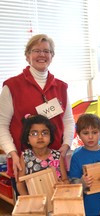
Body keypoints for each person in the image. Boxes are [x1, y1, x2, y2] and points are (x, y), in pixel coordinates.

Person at [0, 34, 75, 191]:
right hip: (23, 163)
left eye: (46, 51)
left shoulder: (61, 87)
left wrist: (66, 146)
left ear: (52, 56)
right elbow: (2, 125)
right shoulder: (12, 86)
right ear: (27, 56)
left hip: (55, 163)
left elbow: (68, 121)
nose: (42, 55)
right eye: (36, 50)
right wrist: (12, 153)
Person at [16, 114, 69, 195]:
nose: (40, 137)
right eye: (34, 134)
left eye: (44, 133)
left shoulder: (57, 156)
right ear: (27, 139)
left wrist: (63, 185)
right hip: (36, 203)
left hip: (57, 198)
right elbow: (20, 183)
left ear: (50, 137)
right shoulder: (25, 156)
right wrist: (27, 199)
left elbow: (65, 180)